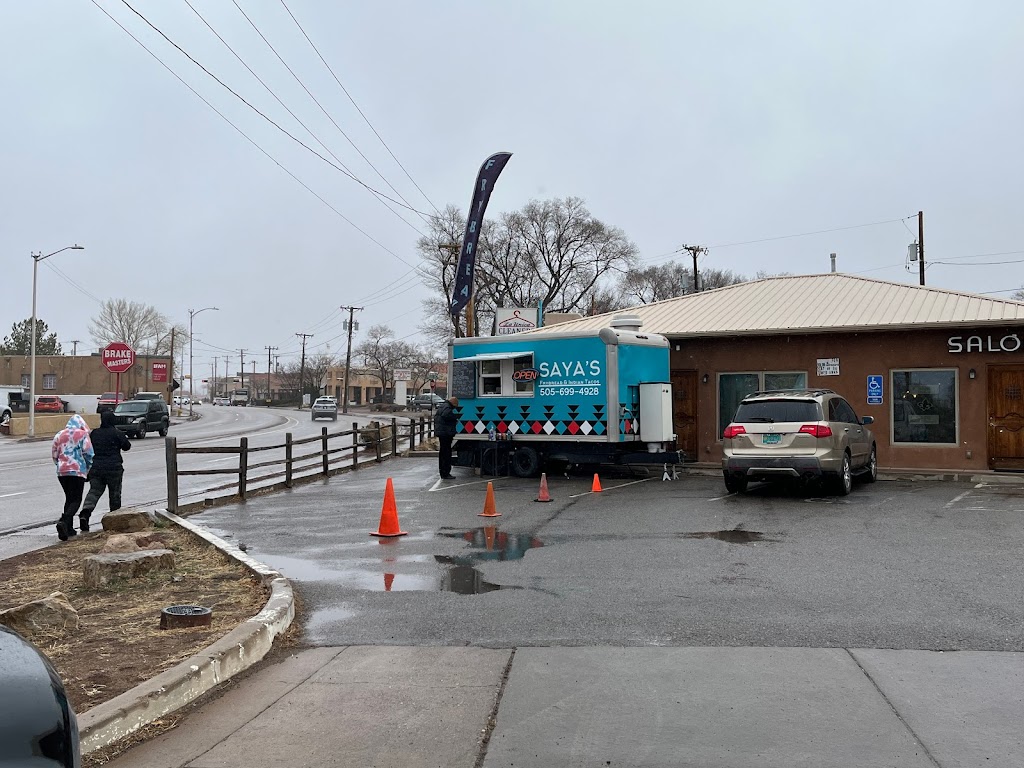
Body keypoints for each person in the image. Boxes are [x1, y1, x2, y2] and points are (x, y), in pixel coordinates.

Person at [79, 408, 132, 532]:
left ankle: (85, 514)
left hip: (96, 468)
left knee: (94, 492)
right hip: (114, 468)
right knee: (114, 494)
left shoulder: (95, 433)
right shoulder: (117, 433)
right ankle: (114, 520)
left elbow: (88, 449)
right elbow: (127, 447)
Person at [51, 414, 94, 541]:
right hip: (77, 470)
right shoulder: (82, 434)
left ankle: (68, 529)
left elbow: (54, 453)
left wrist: (59, 465)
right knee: (76, 499)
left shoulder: (59, 434)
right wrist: (88, 468)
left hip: (62, 471)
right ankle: (63, 522)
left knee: (69, 498)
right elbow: (89, 453)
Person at [434, 396, 459, 479]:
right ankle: (446, 473)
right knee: (446, 453)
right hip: (446, 434)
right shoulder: (447, 408)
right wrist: (454, 419)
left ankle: (443, 472)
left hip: (442, 433)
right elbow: (446, 415)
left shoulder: (442, 406)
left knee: (442, 453)